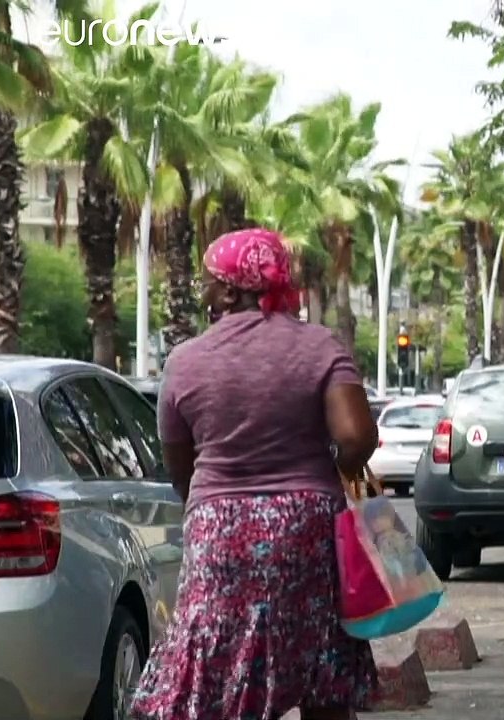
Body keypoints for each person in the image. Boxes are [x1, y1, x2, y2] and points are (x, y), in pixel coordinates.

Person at [130, 228, 380, 720]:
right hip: (307, 525)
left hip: (220, 527)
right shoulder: (319, 346)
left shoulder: (184, 361)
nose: (202, 291)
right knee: (320, 658)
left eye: (208, 282)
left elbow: (181, 467)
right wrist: (323, 479)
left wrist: (215, 504)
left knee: (221, 666)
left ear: (230, 290)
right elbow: (356, 438)